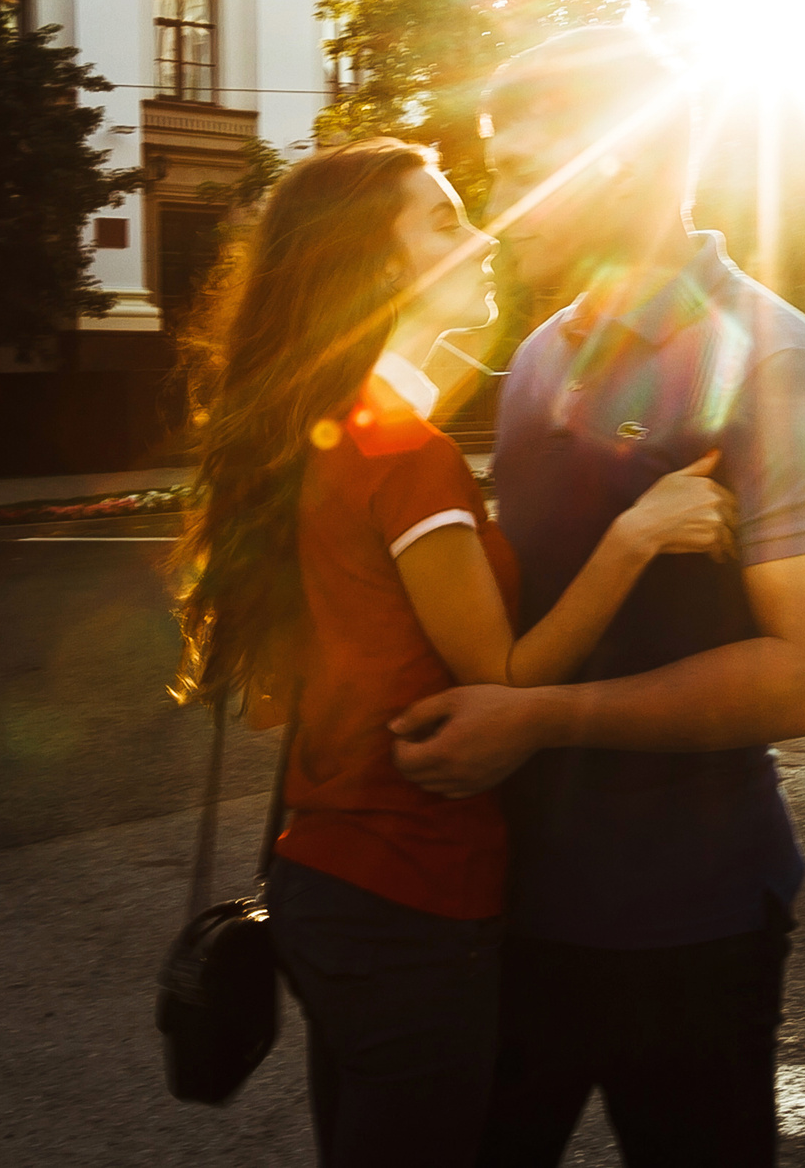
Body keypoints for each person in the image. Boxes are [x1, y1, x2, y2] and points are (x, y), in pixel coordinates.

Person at [167, 137, 737, 1168]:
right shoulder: (404, 450)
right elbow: (504, 680)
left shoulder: (322, 425)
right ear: (381, 267)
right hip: (409, 895)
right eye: (442, 218)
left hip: (320, 886)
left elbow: (265, 697)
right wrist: (638, 534)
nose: (480, 236)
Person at [389, 28, 805, 1168]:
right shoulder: (546, 354)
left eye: (518, 174)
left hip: (686, 926)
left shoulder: (774, 365)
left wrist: (542, 718)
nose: (503, 207)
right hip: (507, 906)